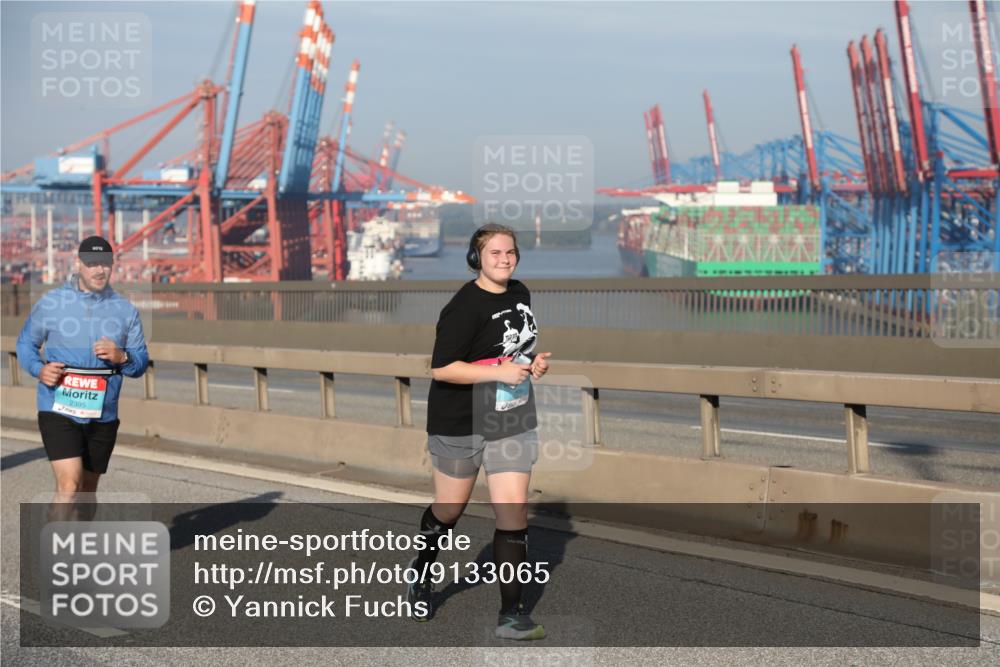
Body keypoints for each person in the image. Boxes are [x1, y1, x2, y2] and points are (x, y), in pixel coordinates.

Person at [406, 223, 552, 640]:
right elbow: (442, 367)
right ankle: (422, 575)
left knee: (513, 513)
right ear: (477, 259)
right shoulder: (463, 306)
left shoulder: (521, 293)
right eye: (495, 254)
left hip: (510, 417)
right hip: (460, 420)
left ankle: (512, 614)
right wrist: (499, 371)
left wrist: (532, 364)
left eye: (510, 253)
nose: (504, 260)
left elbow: (514, 352)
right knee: (450, 510)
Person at [15, 236, 149, 518]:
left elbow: (139, 365)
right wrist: (39, 369)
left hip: (103, 411)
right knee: (69, 483)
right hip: (58, 406)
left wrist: (122, 357)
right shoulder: (51, 303)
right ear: (78, 265)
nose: (99, 270)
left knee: (87, 489)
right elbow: (25, 344)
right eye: (91, 264)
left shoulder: (126, 310)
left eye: (105, 264)